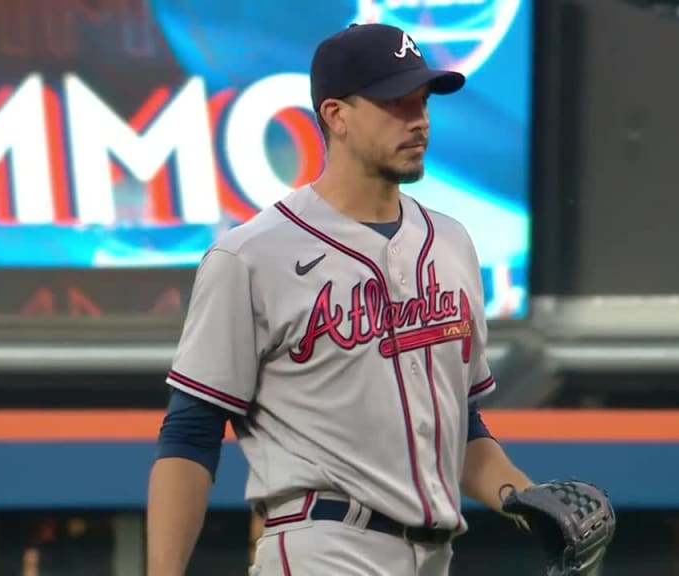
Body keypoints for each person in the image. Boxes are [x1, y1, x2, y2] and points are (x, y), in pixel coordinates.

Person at [145, 22, 536, 576]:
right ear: (336, 115)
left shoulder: (453, 244)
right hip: (322, 544)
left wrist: (524, 498)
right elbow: (191, 432)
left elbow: (463, 429)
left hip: (435, 555)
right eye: (395, 102)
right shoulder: (253, 256)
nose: (418, 118)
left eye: (421, 100)